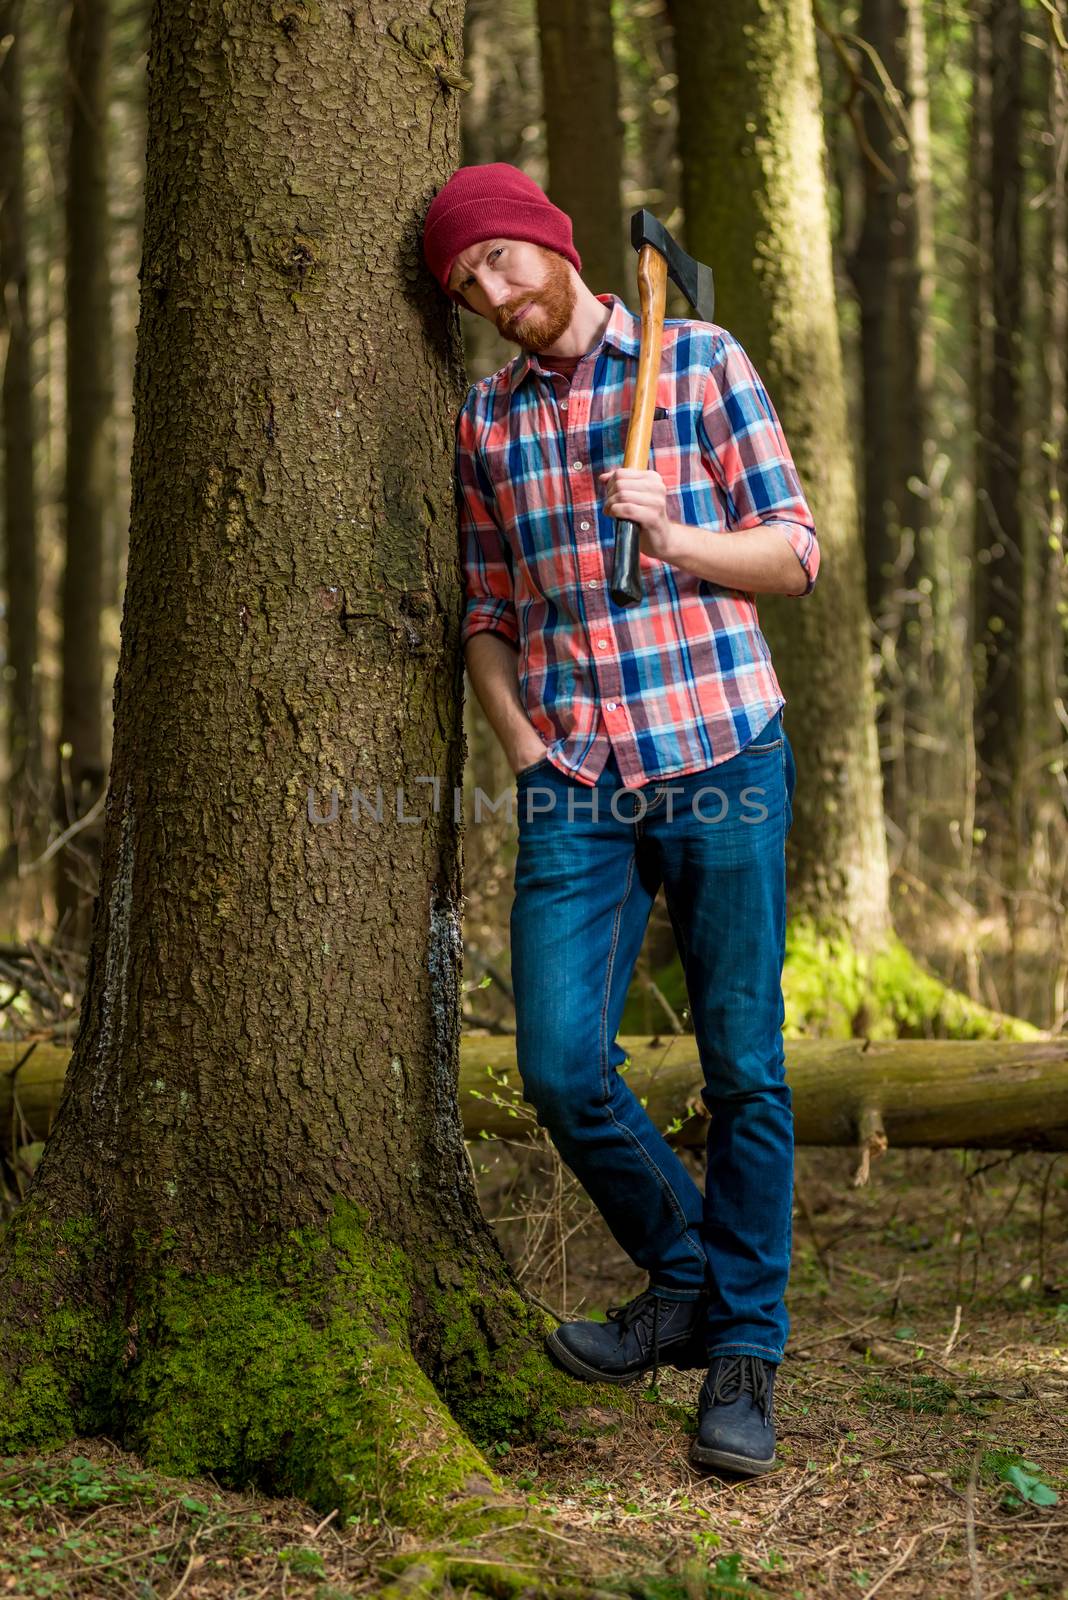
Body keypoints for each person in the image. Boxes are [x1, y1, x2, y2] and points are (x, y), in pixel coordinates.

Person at [422, 163, 820, 1478]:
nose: (492, 297)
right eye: (466, 286)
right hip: (578, 780)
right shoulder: (486, 419)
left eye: (501, 264)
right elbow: (487, 607)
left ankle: (743, 1359)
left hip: (722, 750)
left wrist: (684, 535)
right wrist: (524, 746)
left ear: (552, 243)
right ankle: (697, 1279)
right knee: (558, 1066)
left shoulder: (699, 363)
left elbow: (796, 553)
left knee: (745, 1066)